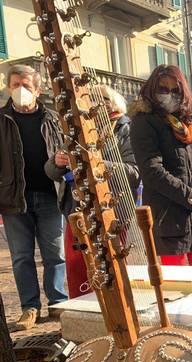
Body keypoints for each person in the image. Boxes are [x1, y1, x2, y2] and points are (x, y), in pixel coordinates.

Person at [46, 85, 140, 298]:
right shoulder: (77, 128)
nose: (97, 102)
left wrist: (94, 163)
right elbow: (51, 171)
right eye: (91, 98)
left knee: (110, 264)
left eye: (104, 98)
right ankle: (83, 312)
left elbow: (134, 172)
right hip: (77, 208)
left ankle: (116, 310)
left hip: (112, 209)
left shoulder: (127, 129)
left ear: (114, 101)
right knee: (77, 264)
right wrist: (57, 161)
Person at [0, 65, 68, 330]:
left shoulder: (53, 119)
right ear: (8, 87)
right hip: (14, 198)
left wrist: (63, 161)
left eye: (26, 85)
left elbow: (64, 151)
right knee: (21, 256)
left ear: (38, 90)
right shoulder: (2, 118)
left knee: (55, 253)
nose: (20, 90)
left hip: (50, 195)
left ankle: (58, 303)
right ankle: (30, 307)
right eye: (15, 84)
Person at [129, 65, 192, 266]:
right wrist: (191, 197)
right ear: (152, 90)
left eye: (175, 90)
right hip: (168, 218)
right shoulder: (143, 122)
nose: (169, 95)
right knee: (180, 284)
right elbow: (152, 170)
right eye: (163, 89)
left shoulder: (184, 123)